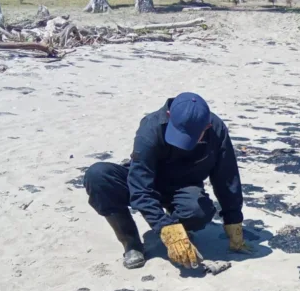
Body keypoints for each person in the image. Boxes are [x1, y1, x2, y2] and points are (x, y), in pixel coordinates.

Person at [84, 92, 250, 270]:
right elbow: (140, 186)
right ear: (169, 115)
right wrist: (165, 227)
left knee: (199, 211)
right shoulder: (150, 127)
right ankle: (131, 243)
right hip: (149, 181)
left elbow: (227, 176)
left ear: (207, 126)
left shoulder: (217, 130)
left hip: (182, 187)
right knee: (98, 176)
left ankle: (180, 227)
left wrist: (233, 220)